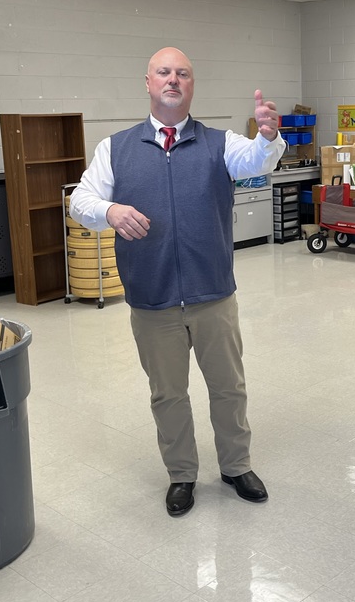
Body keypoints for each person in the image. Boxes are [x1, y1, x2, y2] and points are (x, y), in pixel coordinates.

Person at [70, 46, 285, 516]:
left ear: (192, 85)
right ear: (147, 82)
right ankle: (182, 474)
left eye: (182, 74)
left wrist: (269, 138)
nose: (173, 80)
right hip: (153, 300)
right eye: (163, 73)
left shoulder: (218, 143)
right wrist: (110, 210)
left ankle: (236, 465)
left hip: (213, 296)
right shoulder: (116, 148)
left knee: (229, 387)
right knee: (168, 394)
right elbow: (80, 200)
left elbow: (255, 161)